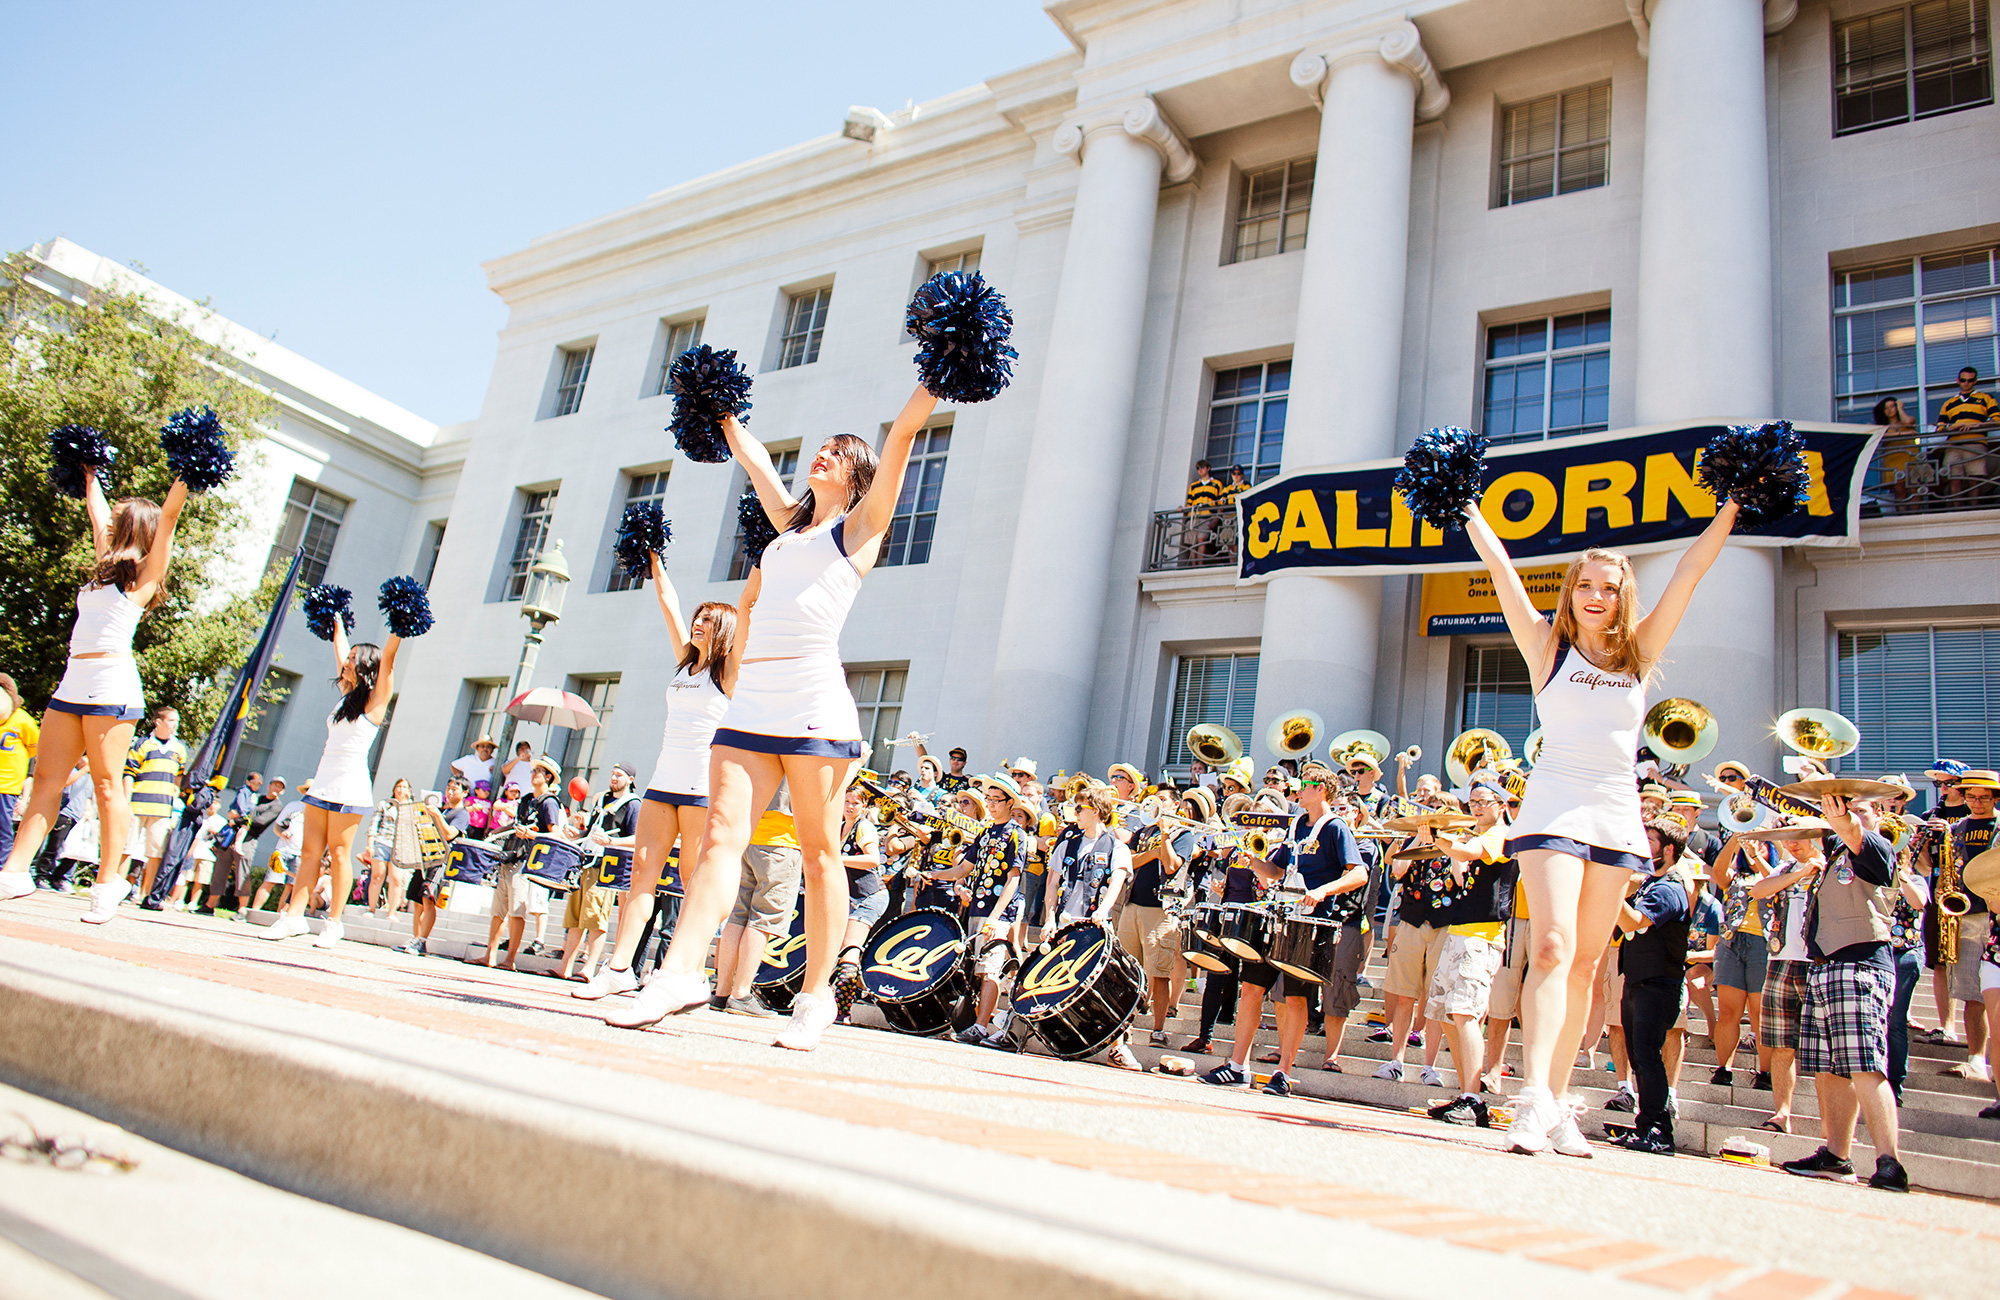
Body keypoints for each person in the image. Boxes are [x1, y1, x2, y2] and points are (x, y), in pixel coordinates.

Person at [606, 383, 942, 1050]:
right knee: (720, 837)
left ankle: (817, 997)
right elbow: (756, 461)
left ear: (858, 474)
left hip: (815, 703)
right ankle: (679, 974)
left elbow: (902, 435)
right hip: (753, 700)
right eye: (820, 447)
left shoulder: (862, 527)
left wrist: (936, 375)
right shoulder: (788, 526)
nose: (822, 454)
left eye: (837, 452)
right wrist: (724, 414)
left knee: (820, 854)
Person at [1461, 481, 1740, 1157]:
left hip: (1616, 809)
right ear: (1571, 590)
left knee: (1588, 964)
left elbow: (1691, 570)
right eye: (1585, 584)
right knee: (1551, 947)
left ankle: (1557, 1107)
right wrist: (1466, 507)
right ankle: (1530, 1099)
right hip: (1554, 798)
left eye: (1608, 588)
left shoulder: (1640, 651)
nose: (1595, 596)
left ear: (1622, 596)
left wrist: (1734, 503)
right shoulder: (1544, 644)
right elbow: (1500, 567)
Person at [0, 471, 194, 919]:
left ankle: (108, 883)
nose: (111, 521)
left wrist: (185, 472)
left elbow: (169, 516)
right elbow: (96, 510)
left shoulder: (145, 577)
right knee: (47, 779)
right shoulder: (104, 568)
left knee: (108, 786)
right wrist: (89, 473)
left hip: (111, 683)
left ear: (135, 528)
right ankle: (14, 871)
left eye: (121, 518)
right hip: (73, 681)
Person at [574, 568, 736, 1001]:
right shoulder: (685, 662)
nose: (697, 623)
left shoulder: (729, 672)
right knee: (641, 876)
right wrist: (655, 557)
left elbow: (753, 619)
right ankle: (619, 968)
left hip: (703, 787)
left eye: (706, 620)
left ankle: (688, 973)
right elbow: (667, 600)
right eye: (697, 617)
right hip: (663, 781)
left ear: (723, 631)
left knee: (693, 882)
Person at [1779, 794, 1910, 1191]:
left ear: (1879, 816)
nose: (1847, 812)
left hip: (1859, 964)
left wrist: (1846, 821)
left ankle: (1890, 1161)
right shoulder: (1832, 855)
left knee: (1864, 1063)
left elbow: (1853, 832)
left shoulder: (1876, 847)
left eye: (1860, 808)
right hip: (1825, 967)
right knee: (1830, 1068)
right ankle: (1837, 1155)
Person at [260, 612, 407, 949]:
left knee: (340, 854)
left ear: (366, 666)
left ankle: (334, 922)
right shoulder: (346, 694)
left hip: (350, 782)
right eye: (348, 657)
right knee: (310, 851)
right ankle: (294, 917)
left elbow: (388, 659)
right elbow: (340, 652)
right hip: (324, 779)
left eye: (355, 659)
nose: (347, 661)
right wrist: (338, 626)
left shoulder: (375, 700)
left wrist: (398, 629)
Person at [1424, 778, 1520, 1125]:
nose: (1476, 807)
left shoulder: (1500, 834)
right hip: (1460, 930)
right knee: (1447, 1013)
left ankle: (1473, 1097)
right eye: (1473, 802)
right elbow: (1463, 873)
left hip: (1482, 934)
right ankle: (1466, 1091)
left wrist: (1438, 837)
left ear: (1501, 803)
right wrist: (1446, 844)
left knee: (1465, 1013)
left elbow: (1467, 853)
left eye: (1483, 801)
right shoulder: (1476, 835)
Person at [1606, 818, 1696, 1155]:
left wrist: (1608, 887)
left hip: (1659, 985)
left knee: (1647, 1057)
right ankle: (1646, 1126)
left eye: (1652, 841)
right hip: (1636, 981)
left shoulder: (1669, 888)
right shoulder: (1649, 883)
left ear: (1669, 850)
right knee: (1638, 1057)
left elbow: (1635, 921)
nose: (1644, 845)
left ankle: (1659, 1130)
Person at [934, 775, 1029, 1048]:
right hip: (976, 907)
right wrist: (936, 873)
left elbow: (1013, 878)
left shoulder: (1016, 834)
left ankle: (981, 1026)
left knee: (991, 970)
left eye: (996, 800)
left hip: (997, 912)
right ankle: (978, 1021)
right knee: (977, 969)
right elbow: (965, 868)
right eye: (988, 799)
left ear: (1010, 802)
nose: (990, 804)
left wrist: (996, 916)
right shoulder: (986, 832)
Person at [1920, 770, 1995, 1083]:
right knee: (1972, 995)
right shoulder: (1957, 828)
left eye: (1983, 798)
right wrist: (1923, 843)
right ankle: (1976, 1059)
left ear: (1995, 798)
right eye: (1971, 797)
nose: (1976, 803)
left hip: (1995, 917)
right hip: (1964, 916)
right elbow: (1931, 868)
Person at [1749, 830, 1824, 1133]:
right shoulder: (1787, 868)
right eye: (1788, 838)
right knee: (1781, 1045)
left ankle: (1832, 1123)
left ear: (1817, 838)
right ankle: (1782, 1113)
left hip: (1818, 961)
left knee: (1825, 1050)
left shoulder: (1831, 865)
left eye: (1800, 837)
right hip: (1781, 960)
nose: (1792, 844)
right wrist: (1801, 872)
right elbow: (1759, 890)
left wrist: (1811, 869)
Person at [477, 756, 564, 970]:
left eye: (539, 772)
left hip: (526, 861)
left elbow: (555, 834)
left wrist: (531, 835)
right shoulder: (526, 800)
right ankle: (490, 954)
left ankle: (509, 959)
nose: (534, 774)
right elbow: (516, 824)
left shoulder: (549, 802)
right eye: (534, 771)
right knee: (498, 910)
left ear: (548, 777)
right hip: (509, 855)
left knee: (517, 910)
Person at [1708, 829, 1776, 1089]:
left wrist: (1757, 856)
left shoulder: (1778, 873)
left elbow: (1776, 881)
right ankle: (1724, 1067)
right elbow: (1719, 873)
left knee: (1760, 1012)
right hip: (1732, 942)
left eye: (1762, 842)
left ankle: (1765, 1072)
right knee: (1728, 1011)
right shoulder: (1736, 876)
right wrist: (1735, 840)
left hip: (1764, 944)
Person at [559, 765, 640, 981]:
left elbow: (637, 839)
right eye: (612, 774)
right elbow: (592, 832)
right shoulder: (602, 799)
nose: (613, 778)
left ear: (630, 779)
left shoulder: (633, 805)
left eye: (619, 775)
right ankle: (565, 966)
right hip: (586, 861)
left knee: (595, 918)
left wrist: (612, 841)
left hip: (607, 867)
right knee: (575, 917)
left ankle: (589, 967)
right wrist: (576, 833)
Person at [830, 780, 885, 1023]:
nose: (850, 806)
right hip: (850, 896)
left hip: (870, 896)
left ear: (864, 806)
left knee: (850, 948)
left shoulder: (864, 827)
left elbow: (873, 859)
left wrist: (839, 858)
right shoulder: (840, 826)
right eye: (847, 801)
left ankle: (843, 1011)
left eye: (856, 803)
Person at [396, 778, 470, 957]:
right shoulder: (444, 810)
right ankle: (415, 937)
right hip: (426, 857)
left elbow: (450, 834)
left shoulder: (461, 814)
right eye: (449, 788)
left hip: (442, 861)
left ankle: (423, 940)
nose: (450, 792)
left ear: (465, 793)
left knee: (429, 899)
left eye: (455, 789)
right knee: (416, 900)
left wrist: (436, 815)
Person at [124, 706, 187, 903]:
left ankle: (146, 894)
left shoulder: (179, 749)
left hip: (162, 809)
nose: (175, 725)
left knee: (155, 853)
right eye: (171, 721)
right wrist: (126, 802)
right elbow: (129, 773)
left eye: (177, 721)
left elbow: (179, 779)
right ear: (158, 722)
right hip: (137, 804)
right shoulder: (143, 744)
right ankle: (116, 886)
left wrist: (176, 799)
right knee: (126, 848)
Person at [1937, 367, 1999, 503]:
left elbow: (1997, 419)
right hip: (1953, 444)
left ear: (1975, 381)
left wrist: (1979, 425)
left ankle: (1973, 508)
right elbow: (1940, 428)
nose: (1966, 383)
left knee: (1974, 478)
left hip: (1976, 442)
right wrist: (1953, 428)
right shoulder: (1949, 403)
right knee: (1954, 477)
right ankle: (1956, 510)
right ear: (1958, 380)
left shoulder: (1985, 398)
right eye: (1963, 380)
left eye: (1970, 380)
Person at [366, 779, 425, 919]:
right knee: (377, 876)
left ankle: (392, 912)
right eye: (398, 786)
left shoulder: (412, 808)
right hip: (383, 841)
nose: (400, 789)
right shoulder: (385, 804)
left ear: (409, 791)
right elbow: (374, 824)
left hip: (400, 845)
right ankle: (371, 908)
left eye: (404, 787)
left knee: (396, 879)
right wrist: (370, 843)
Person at [0, 674, 40, 868]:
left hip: (7, 785)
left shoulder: (23, 720)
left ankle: (3, 869)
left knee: (3, 830)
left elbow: (34, 749)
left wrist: (25, 794)